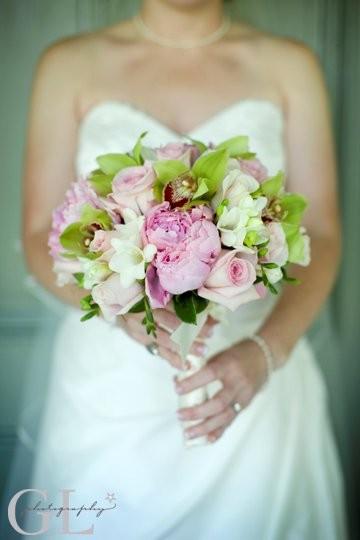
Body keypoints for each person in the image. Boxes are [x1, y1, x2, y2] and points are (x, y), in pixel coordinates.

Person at [21, 0, 347, 538]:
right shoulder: (68, 65)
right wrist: (118, 312)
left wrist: (266, 352)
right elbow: (39, 234)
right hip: (108, 390)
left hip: (255, 373)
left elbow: (325, 235)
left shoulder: (291, 66)